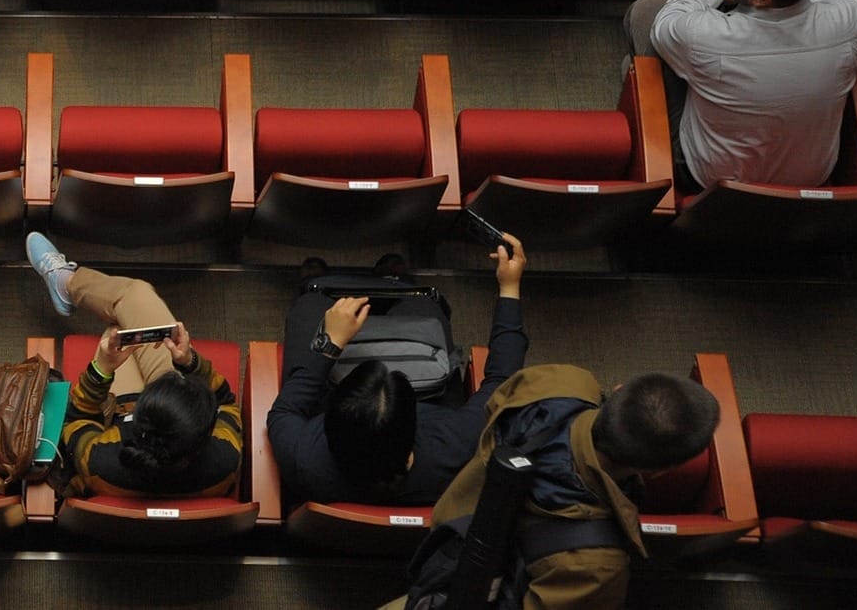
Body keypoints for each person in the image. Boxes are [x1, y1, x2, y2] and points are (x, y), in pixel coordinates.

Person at [398, 367, 722, 609]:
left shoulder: (562, 382)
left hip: (446, 543)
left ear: (618, 388)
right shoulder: (596, 563)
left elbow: (494, 405)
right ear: (657, 471)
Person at [268, 236, 530, 507]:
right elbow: (503, 379)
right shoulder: (456, 447)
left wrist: (329, 344)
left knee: (310, 306)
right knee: (422, 306)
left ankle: (317, 289)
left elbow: (285, 410)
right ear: (413, 424)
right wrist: (509, 287)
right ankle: (394, 283)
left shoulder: (304, 457)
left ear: (331, 423)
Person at [625, 0, 857, 189]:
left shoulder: (704, 36)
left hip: (709, 178)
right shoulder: (853, 18)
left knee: (648, 11)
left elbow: (666, 24)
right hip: (811, 180)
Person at [25, 234, 243, 498]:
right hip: (169, 434)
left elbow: (78, 419)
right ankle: (67, 284)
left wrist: (101, 371)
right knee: (126, 326)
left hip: (118, 413)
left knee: (120, 323)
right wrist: (189, 362)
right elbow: (227, 403)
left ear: (139, 417)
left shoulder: (100, 460)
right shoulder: (223, 457)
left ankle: (67, 283)